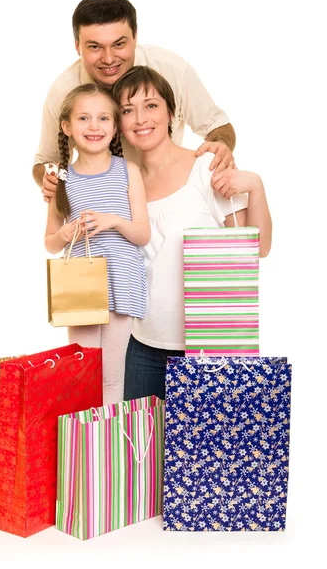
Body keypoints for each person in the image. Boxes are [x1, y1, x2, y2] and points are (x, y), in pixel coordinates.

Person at [110, 65, 272, 401]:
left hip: (208, 349)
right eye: (128, 110)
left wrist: (256, 187)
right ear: (119, 125)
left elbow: (258, 248)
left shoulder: (206, 167)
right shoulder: (124, 184)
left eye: (151, 105)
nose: (140, 118)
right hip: (142, 347)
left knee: (207, 454)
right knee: (142, 454)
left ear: (171, 112)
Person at [33, 0, 237, 203]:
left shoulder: (172, 70)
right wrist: (50, 177)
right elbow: (45, 162)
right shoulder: (63, 93)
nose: (109, 58)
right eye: (95, 47)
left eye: (119, 44)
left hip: (172, 196)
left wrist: (220, 148)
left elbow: (218, 126)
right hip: (107, 206)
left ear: (135, 37)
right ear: (77, 46)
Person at [44, 83, 150, 404]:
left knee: (114, 375)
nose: (94, 126)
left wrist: (113, 220)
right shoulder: (62, 178)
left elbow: (142, 234)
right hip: (80, 287)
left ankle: (108, 448)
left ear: (115, 126)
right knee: (82, 373)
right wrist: (66, 233)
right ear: (67, 127)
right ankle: (84, 449)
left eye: (104, 118)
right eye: (84, 119)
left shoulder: (128, 171)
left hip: (123, 283)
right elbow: (50, 242)